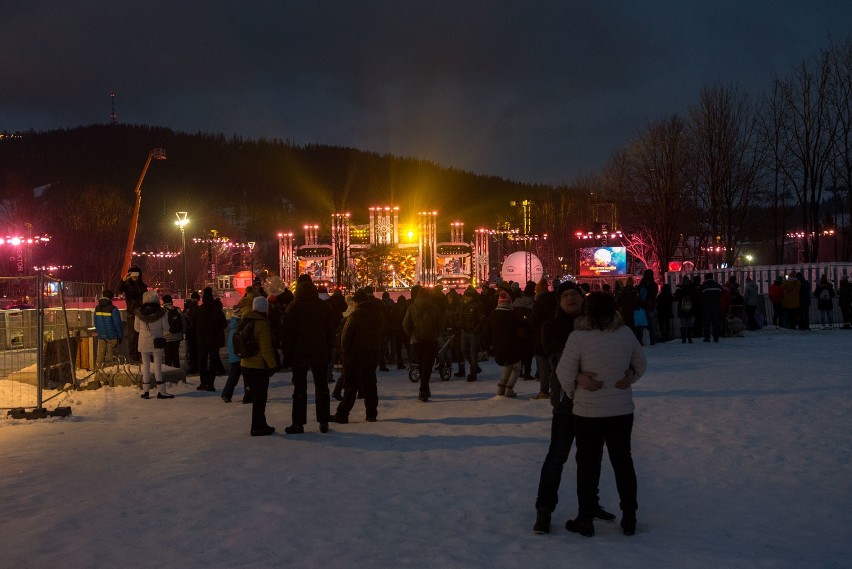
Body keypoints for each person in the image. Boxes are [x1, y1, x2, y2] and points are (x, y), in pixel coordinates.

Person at [557, 292, 647, 538]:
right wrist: (630, 376)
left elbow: (563, 371)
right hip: (620, 410)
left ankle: (585, 518)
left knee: (587, 464)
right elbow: (641, 364)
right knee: (623, 462)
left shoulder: (578, 337)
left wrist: (576, 385)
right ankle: (629, 516)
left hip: (588, 412)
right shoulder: (625, 333)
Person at [533, 281, 617, 534]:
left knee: (591, 458)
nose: (570, 298)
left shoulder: (595, 325)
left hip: (593, 401)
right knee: (556, 457)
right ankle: (544, 509)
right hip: (566, 402)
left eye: (574, 294)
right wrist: (579, 373)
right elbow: (557, 358)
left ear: (583, 299)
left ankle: (590, 505)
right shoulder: (551, 326)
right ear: (559, 302)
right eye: (565, 295)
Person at [282, 275, 335, 434]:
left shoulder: (293, 306)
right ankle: (324, 420)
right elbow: (330, 331)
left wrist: (287, 354)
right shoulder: (323, 306)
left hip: (299, 353)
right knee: (322, 387)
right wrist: (328, 348)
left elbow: (287, 334)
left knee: (299, 389)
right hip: (320, 351)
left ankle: (298, 423)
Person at [329, 289, 383, 424]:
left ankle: (342, 413)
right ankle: (371, 413)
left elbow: (346, 337)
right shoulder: (378, 315)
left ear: (357, 301)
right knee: (370, 384)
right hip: (372, 352)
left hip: (355, 354)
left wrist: (345, 353)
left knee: (351, 385)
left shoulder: (355, 315)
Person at [239, 295, 279, 436]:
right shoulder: (262, 324)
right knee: (260, 399)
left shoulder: (245, 320)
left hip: (245, 363)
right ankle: (258, 426)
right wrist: (273, 365)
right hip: (258, 366)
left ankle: (260, 424)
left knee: (255, 397)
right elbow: (266, 349)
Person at [402, 285, 444, 402]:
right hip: (431, 340)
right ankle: (424, 389)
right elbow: (441, 323)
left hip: (417, 340)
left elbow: (405, 324)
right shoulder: (434, 307)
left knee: (421, 364)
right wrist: (437, 334)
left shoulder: (412, 307)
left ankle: (424, 388)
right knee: (427, 365)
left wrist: (411, 334)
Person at [134, 290, 173, 399]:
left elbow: (136, 328)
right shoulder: (162, 312)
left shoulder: (139, 313)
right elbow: (167, 328)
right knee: (157, 366)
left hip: (143, 342)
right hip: (157, 342)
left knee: (145, 366)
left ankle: (146, 392)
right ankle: (161, 391)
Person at [530, 277, 558, 400]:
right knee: (554, 366)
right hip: (554, 337)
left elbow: (533, 320)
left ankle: (544, 390)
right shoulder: (555, 300)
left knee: (543, 367)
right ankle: (556, 389)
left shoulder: (539, 302)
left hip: (541, 337)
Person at [489, 289, 522, 397]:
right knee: (516, 367)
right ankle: (509, 388)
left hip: (498, 345)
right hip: (511, 345)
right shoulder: (511, 314)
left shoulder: (493, 314)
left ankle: (501, 387)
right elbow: (523, 324)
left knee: (507, 366)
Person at [195, 287, 227, 392]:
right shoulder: (216, 310)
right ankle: (210, 383)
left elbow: (194, 324)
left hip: (202, 339)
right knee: (213, 361)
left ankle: (203, 382)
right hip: (214, 339)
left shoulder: (199, 310)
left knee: (202, 361)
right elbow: (224, 324)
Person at [118, 265, 147, 362]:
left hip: (141, 314)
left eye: (137, 273)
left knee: (140, 335)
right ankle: (133, 357)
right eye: (133, 273)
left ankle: (140, 355)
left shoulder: (143, 286)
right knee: (132, 336)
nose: (135, 276)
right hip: (131, 314)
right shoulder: (127, 285)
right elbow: (120, 289)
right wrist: (124, 279)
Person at [93, 289, 123, 381]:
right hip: (112, 336)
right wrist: (120, 336)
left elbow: (95, 322)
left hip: (101, 336)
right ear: (111, 298)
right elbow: (117, 324)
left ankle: (98, 374)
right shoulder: (113, 309)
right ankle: (109, 376)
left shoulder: (97, 308)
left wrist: (100, 332)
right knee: (110, 356)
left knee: (100, 355)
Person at [460, 287, 485, 382]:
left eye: (468, 296)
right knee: (464, 350)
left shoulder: (478, 304)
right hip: (465, 330)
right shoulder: (464, 305)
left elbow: (481, 318)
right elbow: (462, 316)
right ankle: (474, 367)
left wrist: (476, 329)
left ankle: (473, 372)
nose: (466, 297)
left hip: (473, 331)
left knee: (473, 352)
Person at [161, 294, 184, 369]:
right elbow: (183, 322)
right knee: (175, 355)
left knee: (167, 356)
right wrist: (182, 332)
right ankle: (177, 371)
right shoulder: (177, 309)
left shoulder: (162, 311)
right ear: (171, 301)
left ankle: (169, 372)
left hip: (166, 337)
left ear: (163, 301)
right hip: (177, 336)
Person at [699, 273, 723, 342]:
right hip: (716, 307)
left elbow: (700, 296)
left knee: (707, 323)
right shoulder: (717, 286)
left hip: (706, 307)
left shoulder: (703, 286)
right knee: (715, 323)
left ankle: (707, 337)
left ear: (706, 278)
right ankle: (716, 337)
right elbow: (722, 293)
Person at [673, 276, 696, 343]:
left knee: (683, 324)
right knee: (690, 324)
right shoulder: (692, 288)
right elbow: (696, 298)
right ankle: (690, 338)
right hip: (691, 309)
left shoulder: (679, 289)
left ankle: (683, 338)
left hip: (682, 309)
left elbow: (675, 298)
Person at [182, 291, 201, 374]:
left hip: (188, 332)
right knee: (195, 351)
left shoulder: (186, 307)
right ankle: (195, 368)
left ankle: (192, 367)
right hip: (194, 332)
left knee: (190, 351)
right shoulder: (196, 308)